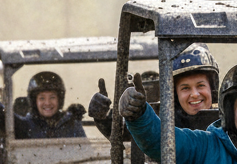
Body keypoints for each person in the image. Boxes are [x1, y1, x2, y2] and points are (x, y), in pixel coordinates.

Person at [88, 42, 219, 137]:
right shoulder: (161, 121)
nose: (195, 94)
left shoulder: (228, 121)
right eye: (185, 88)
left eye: (201, 85)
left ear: (212, 89)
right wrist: (103, 117)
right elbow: (128, 131)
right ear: (174, 94)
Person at [0, 70, 86, 139]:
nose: (47, 103)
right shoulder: (26, 126)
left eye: (52, 97)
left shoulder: (70, 123)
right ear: (34, 101)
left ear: (60, 100)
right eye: (42, 98)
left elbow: (86, 153)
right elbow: (2, 116)